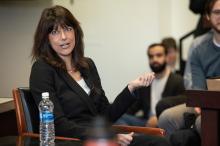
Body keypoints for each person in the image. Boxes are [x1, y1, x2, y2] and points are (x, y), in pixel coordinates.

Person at [29, 5, 171, 146]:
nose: (64, 37)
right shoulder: (42, 69)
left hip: (100, 137)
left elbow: (106, 116)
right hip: (72, 140)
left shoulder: (87, 65)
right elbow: (58, 124)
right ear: (46, 38)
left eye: (67, 29)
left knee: (160, 142)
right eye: (55, 32)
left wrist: (131, 88)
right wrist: (103, 138)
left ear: (76, 32)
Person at [158, 0, 220, 139]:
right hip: (206, 102)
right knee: (166, 117)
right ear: (208, 16)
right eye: (217, 12)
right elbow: (197, 86)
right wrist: (201, 104)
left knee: (204, 122)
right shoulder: (199, 47)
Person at [116, 43, 185, 128]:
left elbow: (182, 107)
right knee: (118, 116)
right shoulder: (145, 81)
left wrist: (159, 118)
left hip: (166, 123)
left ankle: (136, 139)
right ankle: (132, 138)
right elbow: (133, 108)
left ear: (166, 57)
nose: (154, 59)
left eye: (159, 55)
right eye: (151, 56)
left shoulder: (178, 81)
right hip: (146, 123)